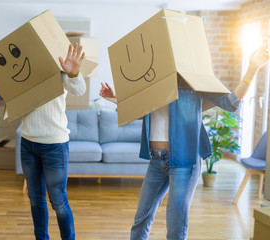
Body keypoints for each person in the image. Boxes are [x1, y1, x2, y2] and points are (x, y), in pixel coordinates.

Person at [99, 44, 269, 240]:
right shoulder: (149, 80)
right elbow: (139, 110)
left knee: (175, 226)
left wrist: (252, 68)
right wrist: (114, 98)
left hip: (185, 161)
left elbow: (231, 103)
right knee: (141, 220)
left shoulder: (193, 80)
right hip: (157, 160)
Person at [20, 42, 85, 240]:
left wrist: (73, 73)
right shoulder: (22, 68)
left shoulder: (59, 67)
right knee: (35, 199)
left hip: (54, 145)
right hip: (27, 141)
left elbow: (80, 89)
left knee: (58, 201)